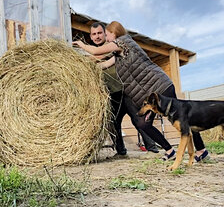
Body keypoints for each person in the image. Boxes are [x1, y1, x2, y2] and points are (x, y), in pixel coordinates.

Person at [73, 21, 209, 162]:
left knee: (181, 118)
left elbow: (96, 51)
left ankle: (201, 150)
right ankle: (169, 151)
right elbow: (103, 63)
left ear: (114, 33)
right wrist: (83, 68)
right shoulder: (118, 53)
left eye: (106, 35)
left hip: (160, 87)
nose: (106, 39)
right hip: (150, 93)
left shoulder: (123, 42)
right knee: (143, 124)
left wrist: (80, 44)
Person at [88, 22, 159, 157]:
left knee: (138, 119)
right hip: (111, 94)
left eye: (99, 33)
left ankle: (152, 148)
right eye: (94, 34)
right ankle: (121, 151)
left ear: (105, 34)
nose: (97, 36)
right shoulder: (93, 53)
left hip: (127, 90)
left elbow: (99, 55)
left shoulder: (113, 45)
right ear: (91, 37)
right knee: (113, 123)